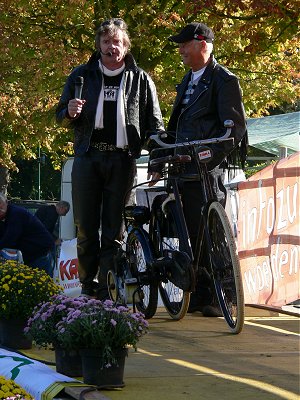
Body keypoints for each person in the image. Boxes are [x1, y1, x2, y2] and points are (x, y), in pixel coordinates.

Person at [56, 18, 164, 300]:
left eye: (116, 42)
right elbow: (59, 116)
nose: (111, 47)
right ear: (99, 46)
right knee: (86, 226)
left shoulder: (141, 78)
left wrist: (157, 160)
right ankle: (87, 285)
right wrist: (69, 111)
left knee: (114, 228)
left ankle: (107, 286)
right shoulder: (81, 75)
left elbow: (155, 125)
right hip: (88, 158)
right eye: (106, 42)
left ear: (125, 46)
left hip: (123, 159)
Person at [148, 22, 247, 316]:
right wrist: (158, 154)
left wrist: (207, 157)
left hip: (206, 169)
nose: (180, 50)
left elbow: (233, 130)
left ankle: (223, 297)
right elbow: (176, 128)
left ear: (202, 44)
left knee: (211, 232)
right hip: (182, 167)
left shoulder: (224, 80)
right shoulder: (188, 81)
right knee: (190, 233)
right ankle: (203, 293)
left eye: (184, 44)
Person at [0, 193, 55, 276]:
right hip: (28, 255)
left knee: (41, 284)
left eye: (0, 204)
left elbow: (10, 238)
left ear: (6, 202)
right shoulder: (4, 217)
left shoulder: (16, 213)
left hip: (40, 252)